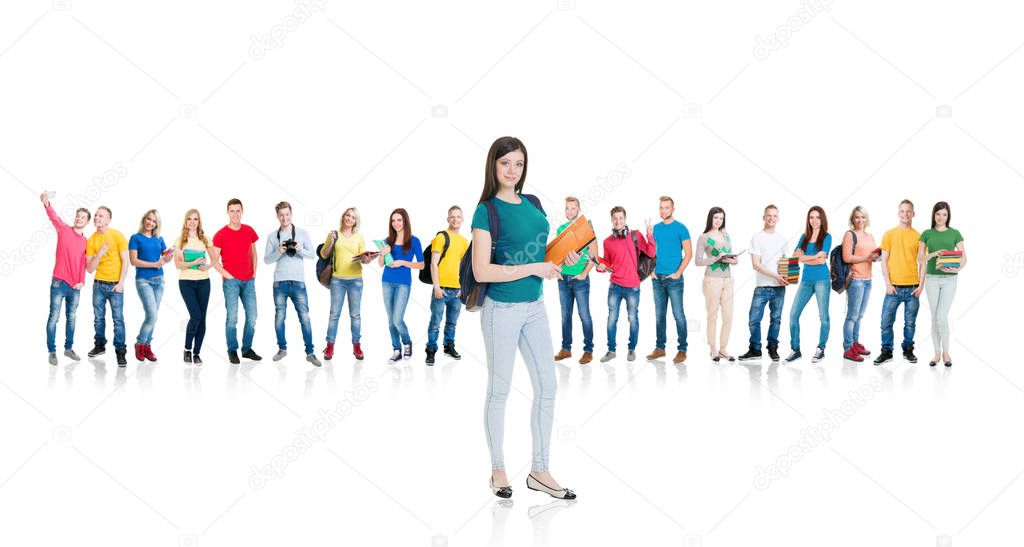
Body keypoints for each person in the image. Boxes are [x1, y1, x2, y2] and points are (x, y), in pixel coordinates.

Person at [471, 136, 576, 500]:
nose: (512, 170)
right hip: (502, 310)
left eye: (518, 163)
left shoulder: (533, 203)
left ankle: (540, 470)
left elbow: (539, 252)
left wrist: (566, 258)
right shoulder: (486, 210)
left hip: (534, 308)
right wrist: (535, 266)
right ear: (494, 166)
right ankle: (498, 469)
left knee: (548, 386)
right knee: (499, 391)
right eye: (505, 163)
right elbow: (483, 271)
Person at [596, 206, 656, 363]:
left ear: (625, 219)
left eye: (621, 218)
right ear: (611, 220)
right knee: (611, 319)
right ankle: (611, 350)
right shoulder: (607, 242)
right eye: (615, 218)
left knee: (633, 318)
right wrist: (600, 268)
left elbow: (650, 253)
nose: (618, 221)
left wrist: (650, 236)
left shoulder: (635, 236)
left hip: (632, 286)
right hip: (614, 286)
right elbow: (608, 263)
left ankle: (631, 349)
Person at [264, 201, 321, 367]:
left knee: (305, 318)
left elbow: (312, 255)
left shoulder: (302, 233)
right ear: (277, 216)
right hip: (279, 283)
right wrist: (278, 251)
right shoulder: (272, 236)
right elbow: (267, 260)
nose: (284, 218)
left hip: (298, 283)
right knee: (279, 317)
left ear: (291, 214)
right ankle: (282, 349)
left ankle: (310, 353)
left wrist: (299, 249)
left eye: (287, 214)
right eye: (281, 215)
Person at [211, 198, 262, 364]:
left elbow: (254, 253)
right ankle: (232, 349)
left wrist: (254, 272)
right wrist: (228, 275)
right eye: (232, 211)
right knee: (232, 317)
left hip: (249, 280)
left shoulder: (249, 231)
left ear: (242, 211)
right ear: (227, 212)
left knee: (252, 316)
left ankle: (246, 349)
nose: (235, 214)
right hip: (231, 282)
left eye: (238, 211)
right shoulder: (220, 234)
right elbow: (214, 261)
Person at [41, 192, 89, 366]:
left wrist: (82, 282)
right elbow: (54, 217)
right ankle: (52, 351)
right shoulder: (64, 229)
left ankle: (68, 348)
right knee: (54, 317)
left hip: (75, 286)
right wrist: (47, 204)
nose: (79, 219)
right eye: (77, 216)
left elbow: (84, 264)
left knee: (72, 317)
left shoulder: (86, 242)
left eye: (83, 217)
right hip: (59, 282)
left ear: (87, 222)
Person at [874, 199, 921, 365]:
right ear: (898, 213)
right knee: (885, 321)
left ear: (913, 214)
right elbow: (884, 260)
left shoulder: (919, 236)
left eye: (908, 211)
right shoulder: (889, 234)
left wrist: (921, 286)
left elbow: (922, 263)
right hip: (893, 288)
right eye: (902, 211)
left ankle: (908, 349)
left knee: (910, 323)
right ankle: (887, 351)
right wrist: (888, 284)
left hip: (913, 288)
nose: (905, 214)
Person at [322, 207, 373, 361]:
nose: (349, 218)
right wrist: (331, 242)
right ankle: (329, 346)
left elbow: (364, 258)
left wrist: (367, 259)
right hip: (337, 280)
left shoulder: (359, 237)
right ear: (343, 216)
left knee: (355, 315)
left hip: (355, 280)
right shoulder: (334, 234)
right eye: (347, 215)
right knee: (334, 314)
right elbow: (324, 254)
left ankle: (356, 346)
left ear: (355, 221)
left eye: (353, 217)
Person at [919, 201, 965, 367]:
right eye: (938, 214)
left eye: (944, 214)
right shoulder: (926, 234)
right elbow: (919, 259)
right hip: (931, 279)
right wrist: (932, 255)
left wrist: (955, 269)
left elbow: (964, 258)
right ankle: (936, 353)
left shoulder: (955, 234)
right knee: (934, 317)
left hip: (949, 280)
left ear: (948, 216)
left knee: (941, 316)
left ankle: (946, 352)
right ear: (934, 215)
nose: (941, 217)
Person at [739, 204, 788, 362]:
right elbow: (756, 265)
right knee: (754, 320)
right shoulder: (757, 238)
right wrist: (776, 276)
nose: (771, 218)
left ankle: (772, 348)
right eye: (769, 215)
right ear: (764, 217)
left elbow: (784, 264)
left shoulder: (782, 239)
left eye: (774, 216)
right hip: (762, 286)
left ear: (778, 218)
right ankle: (755, 349)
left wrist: (788, 277)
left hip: (780, 287)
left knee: (776, 319)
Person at [646, 196, 691, 364]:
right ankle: (660, 348)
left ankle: (682, 349)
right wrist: (651, 270)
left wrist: (678, 272)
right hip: (657, 279)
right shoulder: (655, 229)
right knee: (659, 315)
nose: (663, 210)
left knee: (678, 315)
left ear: (673, 209)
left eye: (666, 207)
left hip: (674, 280)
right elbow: (650, 252)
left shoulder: (681, 228)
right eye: (661, 208)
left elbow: (689, 254)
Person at [553, 196, 597, 365]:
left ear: (578, 210)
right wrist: (558, 273)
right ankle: (566, 349)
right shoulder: (561, 229)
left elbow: (594, 254)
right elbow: (557, 255)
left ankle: (588, 350)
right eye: (567, 208)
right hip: (563, 279)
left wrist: (585, 273)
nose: (569, 211)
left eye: (573, 208)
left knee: (584, 315)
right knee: (565, 316)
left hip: (580, 279)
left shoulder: (585, 228)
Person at [378, 208, 424, 362]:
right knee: (390, 320)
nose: (396, 223)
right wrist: (383, 254)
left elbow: (422, 265)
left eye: (399, 220)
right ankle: (396, 349)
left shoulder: (414, 241)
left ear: (405, 221)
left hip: (403, 283)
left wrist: (403, 262)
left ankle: (407, 342)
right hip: (387, 282)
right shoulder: (387, 240)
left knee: (398, 319)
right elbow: (380, 264)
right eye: (393, 220)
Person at [86, 205, 130, 366]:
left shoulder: (117, 236)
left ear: (108, 220)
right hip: (98, 285)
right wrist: (100, 254)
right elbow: (90, 269)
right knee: (98, 319)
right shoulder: (91, 240)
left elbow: (126, 261)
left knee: (118, 319)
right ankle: (99, 345)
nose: (97, 218)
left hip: (115, 286)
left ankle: (120, 351)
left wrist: (121, 283)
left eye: (101, 216)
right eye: (96, 215)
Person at [787, 206, 832, 364]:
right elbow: (795, 257)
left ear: (822, 219)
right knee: (793, 314)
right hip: (806, 280)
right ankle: (795, 349)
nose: (814, 220)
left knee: (823, 316)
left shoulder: (827, 237)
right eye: (811, 217)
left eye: (818, 217)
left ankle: (821, 348)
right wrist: (813, 257)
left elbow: (822, 260)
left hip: (822, 279)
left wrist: (804, 257)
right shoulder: (804, 237)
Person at [425, 205, 469, 365]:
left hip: (457, 291)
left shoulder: (464, 242)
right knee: (435, 322)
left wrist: (463, 288)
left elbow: (465, 268)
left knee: (452, 322)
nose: (455, 219)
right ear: (448, 219)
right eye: (452, 216)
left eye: (458, 216)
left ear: (462, 219)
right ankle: (431, 349)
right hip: (441, 289)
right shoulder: (441, 237)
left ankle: (448, 346)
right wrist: (436, 286)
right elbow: (433, 264)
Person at [128, 209, 173, 362]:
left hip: (159, 280)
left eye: (154, 221)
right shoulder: (135, 238)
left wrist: (168, 257)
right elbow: (134, 261)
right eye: (148, 219)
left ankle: (147, 346)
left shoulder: (159, 239)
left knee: (153, 317)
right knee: (152, 316)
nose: (150, 223)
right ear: (144, 220)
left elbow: (165, 259)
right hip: (144, 281)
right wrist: (154, 264)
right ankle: (139, 343)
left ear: (156, 224)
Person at [694, 207, 738, 362]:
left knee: (728, 316)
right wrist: (715, 259)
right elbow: (698, 261)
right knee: (712, 315)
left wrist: (733, 260)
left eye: (721, 218)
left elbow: (730, 255)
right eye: (716, 218)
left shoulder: (726, 235)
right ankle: (713, 348)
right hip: (712, 279)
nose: (718, 221)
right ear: (710, 219)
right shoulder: (704, 237)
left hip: (728, 279)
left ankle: (723, 348)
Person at [841, 206, 880, 362]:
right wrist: (867, 258)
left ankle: (855, 344)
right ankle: (848, 348)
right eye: (857, 217)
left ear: (867, 219)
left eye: (863, 217)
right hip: (855, 279)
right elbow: (847, 258)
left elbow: (871, 255)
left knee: (860, 316)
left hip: (868, 279)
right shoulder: (849, 235)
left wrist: (877, 257)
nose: (860, 220)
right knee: (852, 316)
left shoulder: (870, 236)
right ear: (853, 219)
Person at [174, 209, 212, 365]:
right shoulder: (180, 240)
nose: (192, 222)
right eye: (189, 219)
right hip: (186, 282)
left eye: (195, 219)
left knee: (202, 319)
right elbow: (178, 264)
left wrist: (208, 266)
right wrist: (193, 263)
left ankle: (197, 353)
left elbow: (215, 259)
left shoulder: (205, 239)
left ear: (199, 221)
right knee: (195, 315)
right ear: (185, 221)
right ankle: (187, 349)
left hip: (204, 282)